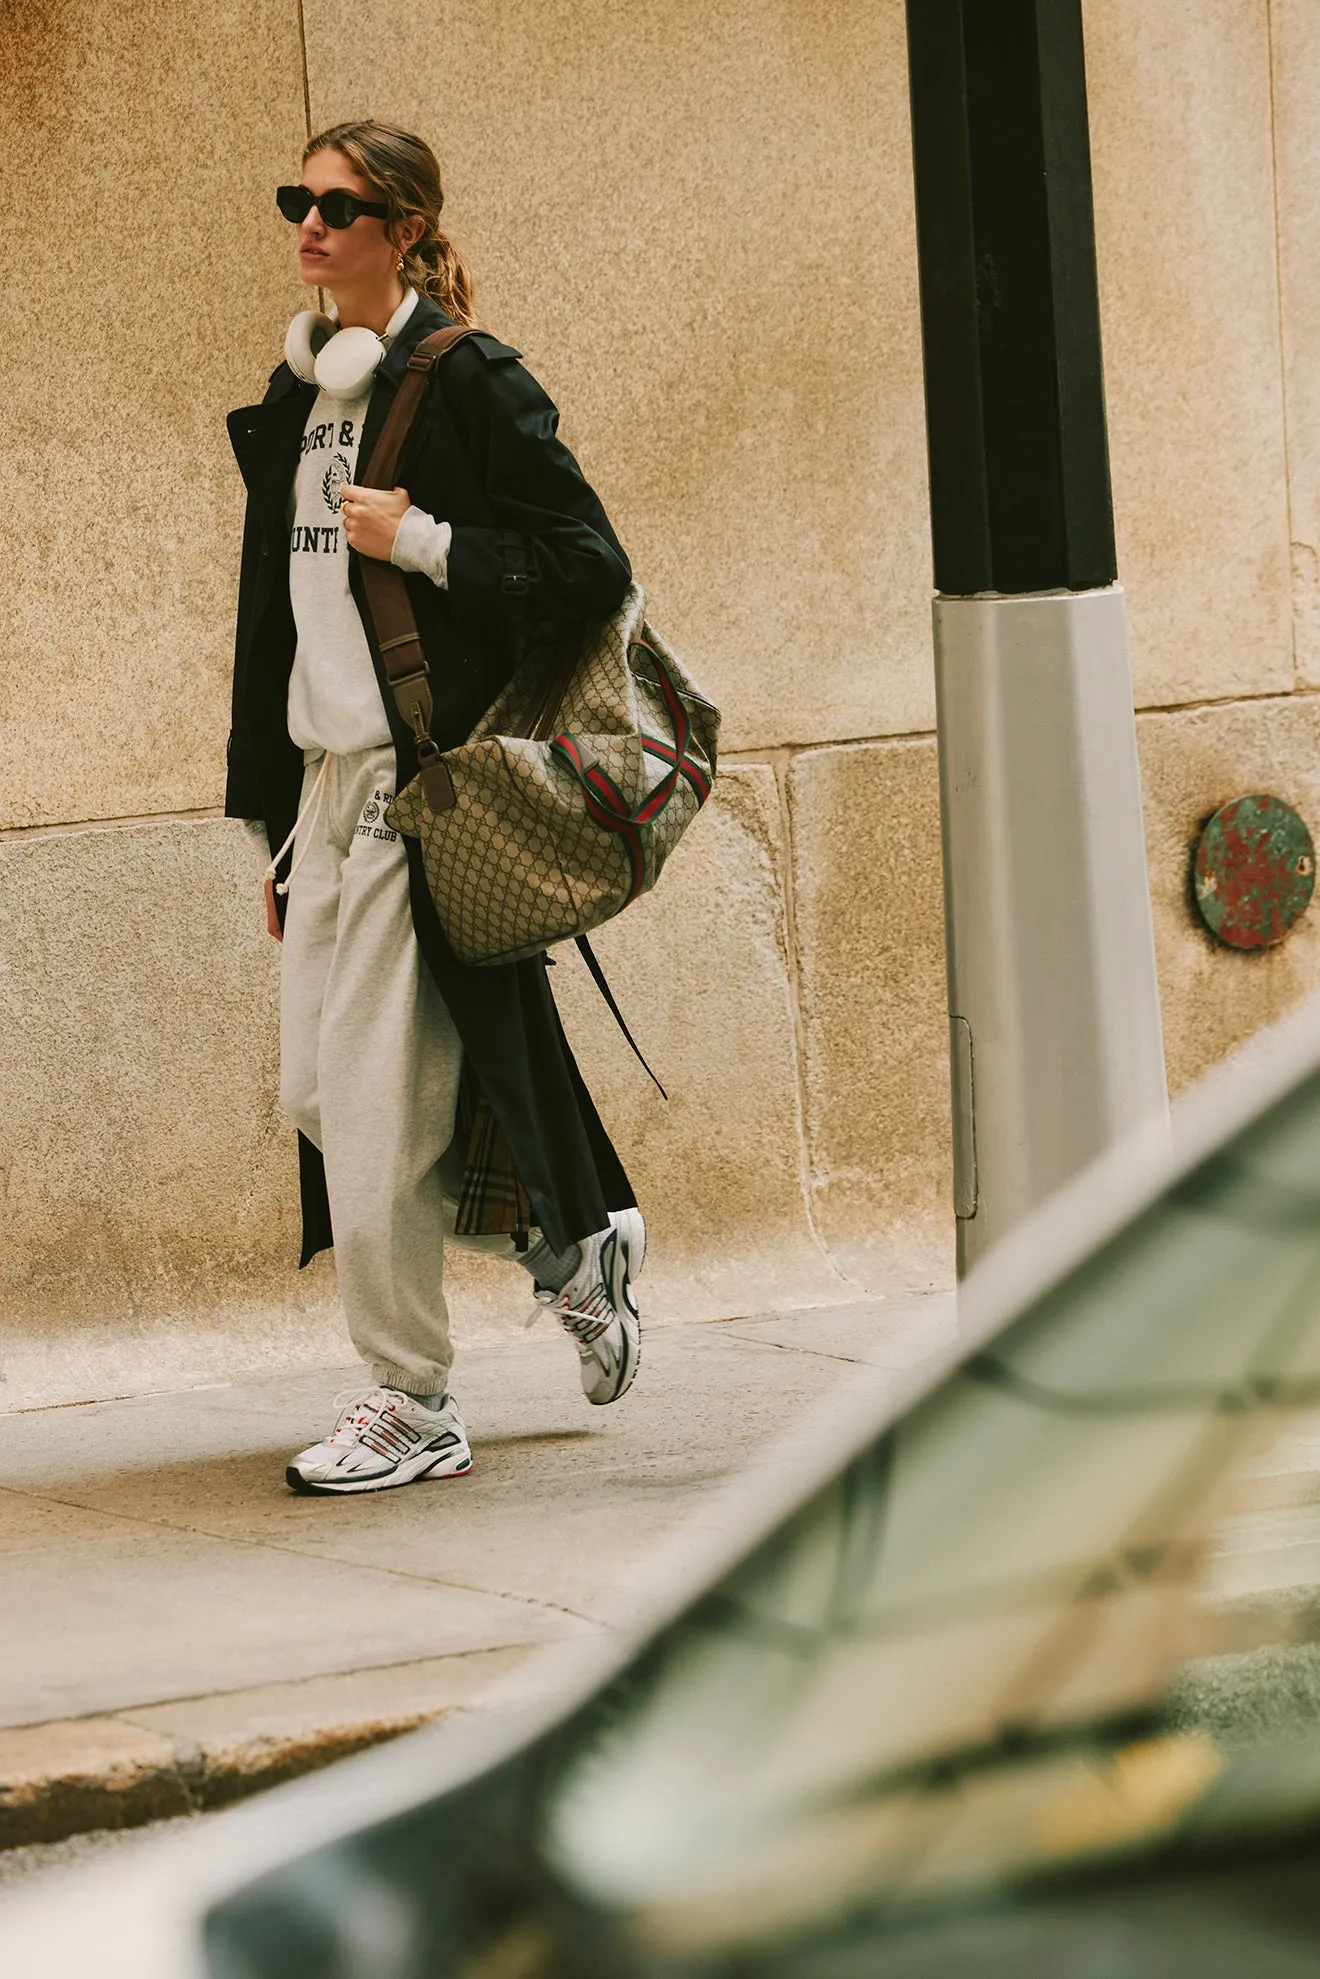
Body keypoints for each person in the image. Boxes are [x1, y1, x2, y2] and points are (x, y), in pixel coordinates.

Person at [225, 119, 645, 1495]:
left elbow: (588, 566)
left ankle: (411, 1397)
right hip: (327, 792)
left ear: (403, 228)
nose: (310, 225)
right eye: (300, 200)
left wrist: (423, 541)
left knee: (373, 1102)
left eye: (339, 207)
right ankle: (577, 1236)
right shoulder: (303, 396)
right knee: (318, 1091)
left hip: (424, 794)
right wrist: (275, 818)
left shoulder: (470, 382)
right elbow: (277, 628)